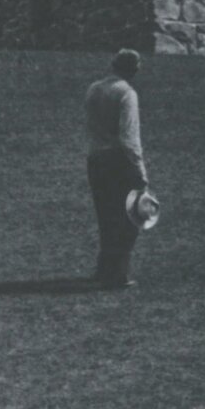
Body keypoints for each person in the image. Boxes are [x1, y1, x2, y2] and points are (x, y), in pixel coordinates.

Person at [84, 48, 148, 289]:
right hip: (118, 161)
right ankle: (118, 272)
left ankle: (104, 268)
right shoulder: (127, 94)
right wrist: (140, 171)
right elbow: (129, 137)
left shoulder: (94, 89)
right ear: (132, 69)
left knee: (106, 215)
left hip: (96, 158)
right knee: (128, 218)